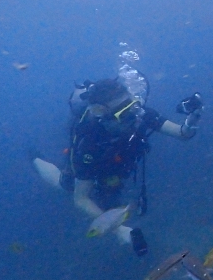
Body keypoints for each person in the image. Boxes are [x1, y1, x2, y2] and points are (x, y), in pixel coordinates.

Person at [33, 77, 202, 256]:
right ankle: (34, 157)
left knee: (111, 194)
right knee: (66, 185)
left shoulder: (140, 114)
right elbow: (81, 198)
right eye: (124, 113)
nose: (134, 116)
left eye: (133, 106)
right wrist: (118, 229)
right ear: (101, 113)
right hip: (96, 167)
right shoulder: (88, 142)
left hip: (117, 168)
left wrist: (192, 119)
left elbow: (182, 133)